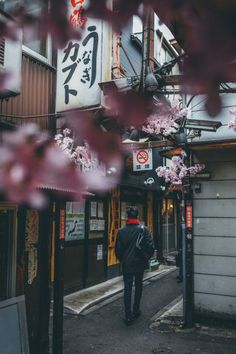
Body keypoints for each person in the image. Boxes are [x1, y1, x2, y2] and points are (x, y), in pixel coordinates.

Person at [115, 206, 154, 325]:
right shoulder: (143, 229)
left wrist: (124, 260)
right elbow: (150, 246)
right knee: (138, 286)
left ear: (127, 217)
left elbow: (118, 250)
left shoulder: (121, 231)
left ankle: (128, 316)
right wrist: (146, 257)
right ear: (137, 216)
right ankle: (136, 310)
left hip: (127, 264)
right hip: (140, 263)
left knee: (127, 288)